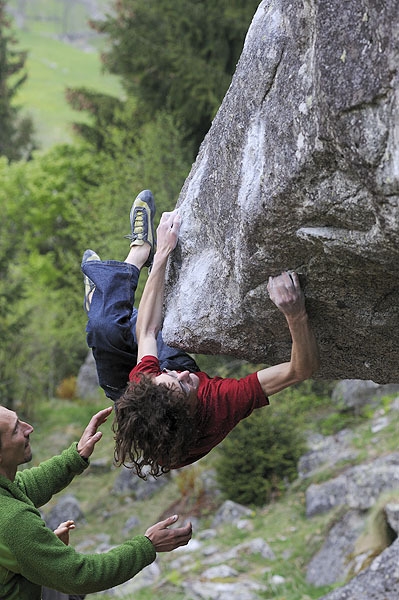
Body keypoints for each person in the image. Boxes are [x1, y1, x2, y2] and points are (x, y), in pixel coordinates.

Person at [82, 190, 319, 479]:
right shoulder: (219, 402)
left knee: (104, 327)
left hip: (134, 400)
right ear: (189, 411)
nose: (182, 374)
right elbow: (300, 370)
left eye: (171, 377)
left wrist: (162, 254)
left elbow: (147, 330)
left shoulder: (147, 388)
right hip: (162, 415)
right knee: (110, 323)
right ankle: (105, 295)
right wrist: (295, 313)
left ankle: (129, 263)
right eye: (182, 385)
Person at [0, 404, 192, 600]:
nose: (28, 428)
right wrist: (148, 545)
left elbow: (22, 487)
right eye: (16, 429)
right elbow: (80, 575)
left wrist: (77, 455)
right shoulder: (13, 520)